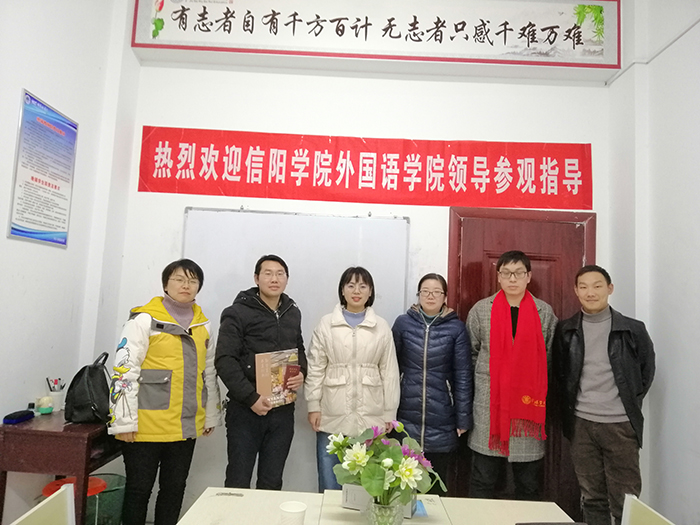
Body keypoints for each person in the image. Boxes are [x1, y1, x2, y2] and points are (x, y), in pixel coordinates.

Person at [108, 259, 221, 525]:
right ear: (165, 284)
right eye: (179, 279)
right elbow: (124, 370)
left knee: (174, 489)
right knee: (139, 490)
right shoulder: (143, 320)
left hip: (184, 425)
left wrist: (211, 415)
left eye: (192, 281)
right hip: (145, 425)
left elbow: (209, 373)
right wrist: (123, 422)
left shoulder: (203, 325)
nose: (186, 285)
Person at [554, 265, 655, 525]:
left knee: (626, 499)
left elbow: (645, 373)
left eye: (597, 286)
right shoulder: (566, 330)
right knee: (592, 497)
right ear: (576, 291)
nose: (591, 292)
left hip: (620, 425)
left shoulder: (633, 330)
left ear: (609, 289)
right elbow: (560, 375)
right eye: (584, 287)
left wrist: (624, 404)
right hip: (581, 424)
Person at [466, 250, 557, 500]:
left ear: (529, 276)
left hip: (527, 412)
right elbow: (471, 354)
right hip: (489, 408)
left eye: (518, 273)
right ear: (498, 277)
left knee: (528, 485)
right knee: (483, 480)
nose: (512, 279)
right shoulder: (481, 310)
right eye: (506, 273)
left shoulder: (544, 312)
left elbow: (549, 358)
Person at [215, 254, 307, 490]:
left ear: (286, 279)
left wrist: (302, 373)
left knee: (272, 481)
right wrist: (251, 398)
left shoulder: (292, 312)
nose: (274, 279)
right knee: (238, 480)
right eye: (268, 273)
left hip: (282, 411)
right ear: (256, 278)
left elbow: (299, 349)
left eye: (280, 274)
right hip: (245, 410)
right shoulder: (237, 312)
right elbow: (225, 360)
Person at [305, 266, 400, 492]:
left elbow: (389, 372)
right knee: (329, 484)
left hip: (371, 417)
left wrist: (389, 412)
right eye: (351, 285)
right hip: (332, 415)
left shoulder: (381, 327)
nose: (356, 291)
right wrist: (313, 405)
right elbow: (316, 367)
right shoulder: (326, 324)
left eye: (363, 286)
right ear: (342, 290)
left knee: (366, 485)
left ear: (370, 292)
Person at [392, 273, 473, 495]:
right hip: (405, 415)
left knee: (436, 486)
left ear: (445, 297)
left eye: (436, 292)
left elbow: (463, 375)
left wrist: (463, 418)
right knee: (402, 487)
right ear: (418, 295)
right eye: (425, 291)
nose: (430, 296)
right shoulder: (402, 324)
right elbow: (390, 369)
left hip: (442, 418)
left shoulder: (456, 329)